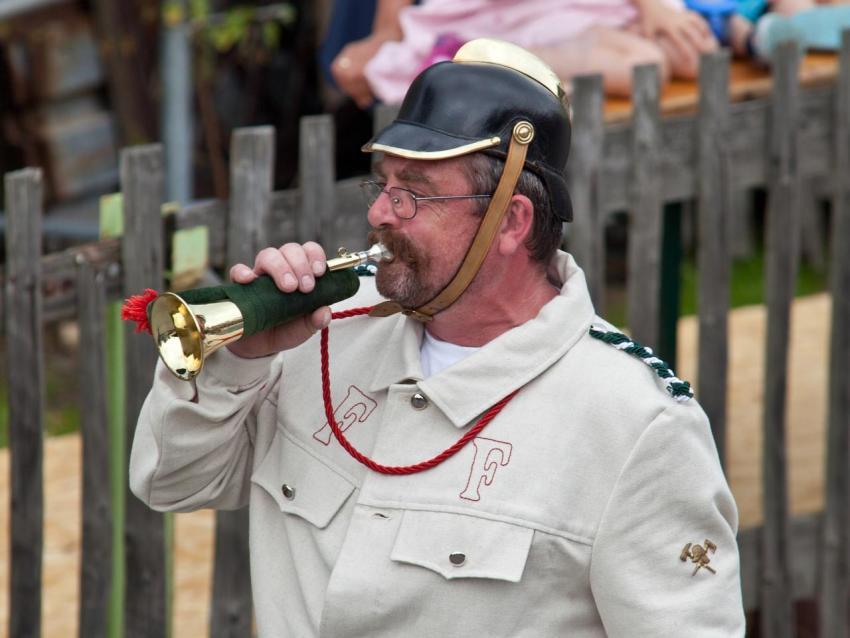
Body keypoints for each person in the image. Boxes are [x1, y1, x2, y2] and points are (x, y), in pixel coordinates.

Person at [130, 38, 745, 636]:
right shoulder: (320, 327)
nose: (379, 212)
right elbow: (169, 481)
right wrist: (240, 357)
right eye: (384, 182)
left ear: (510, 221)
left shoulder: (638, 425)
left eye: (415, 193)